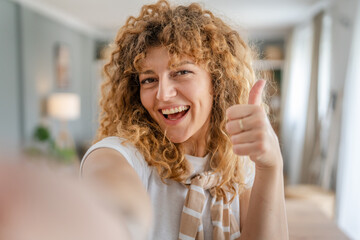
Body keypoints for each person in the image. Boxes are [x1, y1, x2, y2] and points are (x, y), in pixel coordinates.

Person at [81, 0, 289, 239]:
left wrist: (272, 165)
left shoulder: (240, 164)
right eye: (149, 79)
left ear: (218, 82)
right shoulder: (126, 153)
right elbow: (107, 176)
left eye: (181, 72)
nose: (163, 94)